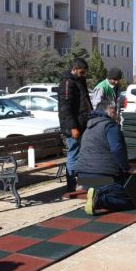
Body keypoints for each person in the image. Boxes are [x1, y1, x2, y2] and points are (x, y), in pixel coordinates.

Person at [75, 99, 135, 215]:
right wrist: (127, 168)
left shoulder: (88, 128)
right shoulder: (110, 126)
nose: (117, 115)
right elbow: (117, 150)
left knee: (115, 189)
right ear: (109, 111)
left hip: (83, 178)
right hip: (103, 178)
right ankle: (99, 199)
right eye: (115, 111)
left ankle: (96, 194)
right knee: (131, 199)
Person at [58, 58, 92, 193]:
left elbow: (85, 102)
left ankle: (82, 182)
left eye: (85, 72)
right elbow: (65, 108)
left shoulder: (80, 81)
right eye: (82, 72)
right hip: (74, 127)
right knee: (73, 154)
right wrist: (73, 127)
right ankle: (71, 184)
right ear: (74, 69)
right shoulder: (67, 82)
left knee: (82, 154)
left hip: (83, 124)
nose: (84, 75)